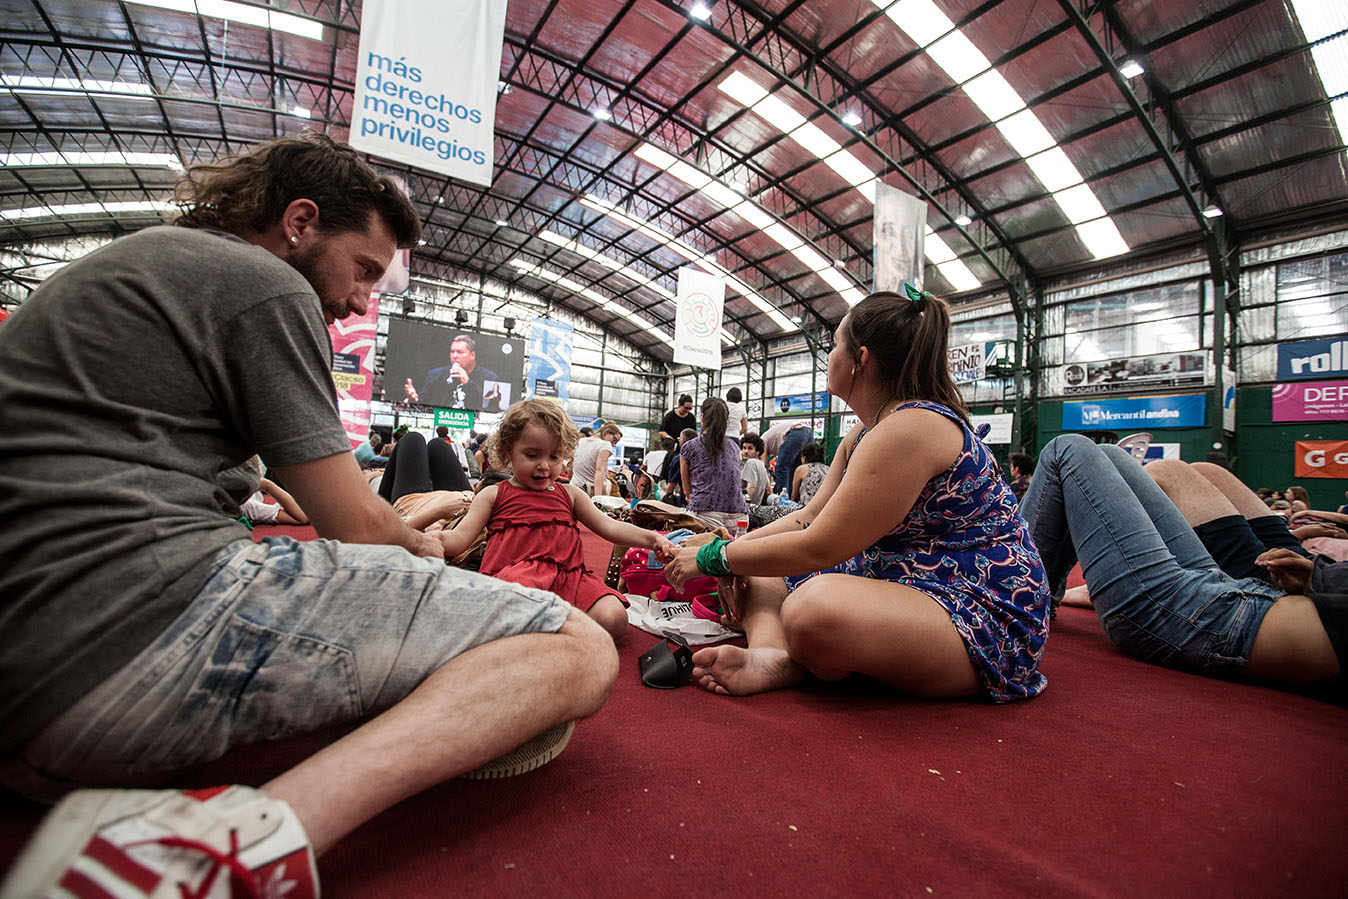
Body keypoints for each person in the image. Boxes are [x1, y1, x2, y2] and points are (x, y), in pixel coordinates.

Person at [0, 134, 618, 897]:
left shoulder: (142, 263)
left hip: (28, 687)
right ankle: (225, 843)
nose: (360, 300)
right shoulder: (261, 280)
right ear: (299, 222)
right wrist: (423, 547)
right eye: (363, 269)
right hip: (120, 646)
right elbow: (355, 525)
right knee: (576, 647)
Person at [664, 287, 1051, 701]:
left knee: (811, 610)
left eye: (835, 345)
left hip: (976, 607)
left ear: (860, 359)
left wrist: (714, 557)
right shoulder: (865, 432)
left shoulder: (910, 427)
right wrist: (733, 553)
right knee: (760, 568)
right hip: (900, 583)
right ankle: (771, 654)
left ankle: (806, 650)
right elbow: (806, 517)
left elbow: (819, 545)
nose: (829, 356)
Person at [1019, 435, 1339, 691]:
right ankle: (1040, 597)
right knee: (1109, 454)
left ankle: (1014, 600)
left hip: (1214, 615)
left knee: (1066, 450)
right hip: (1241, 590)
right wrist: (1312, 577)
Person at [438, 400, 675, 642]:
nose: (544, 466)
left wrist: (652, 539)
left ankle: (543, 634)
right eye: (532, 455)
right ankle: (558, 635)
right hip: (516, 582)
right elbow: (460, 537)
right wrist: (436, 540)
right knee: (507, 612)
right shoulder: (493, 494)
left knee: (614, 616)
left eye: (554, 457)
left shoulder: (570, 494)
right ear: (508, 451)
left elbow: (610, 526)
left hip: (569, 580)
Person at [679, 398, 749, 530]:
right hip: (740, 519)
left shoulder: (689, 447)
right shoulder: (734, 447)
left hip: (706, 518)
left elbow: (688, 493)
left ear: (702, 416)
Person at [405, 333, 499, 410]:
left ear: (472, 355)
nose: (455, 356)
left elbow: (489, 407)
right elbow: (423, 404)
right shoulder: (435, 375)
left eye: (460, 352)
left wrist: (468, 383)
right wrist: (414, 400)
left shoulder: (489, 378)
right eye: (452, 352)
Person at [762, 418, 813, 496]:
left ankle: (782, 496)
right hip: (807, 433)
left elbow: (764, 465)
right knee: (798, 470)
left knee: (781, 467)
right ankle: (798, 497)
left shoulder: (761, 441)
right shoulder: (770, 441)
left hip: (796, 433)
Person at [572, 421, 623, 496]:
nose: (613, 444)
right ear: (607, 432)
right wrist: (598, 498)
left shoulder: (581, 441)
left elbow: (571, 465)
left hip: (574, 486)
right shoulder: (605, 444)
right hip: (589, 490)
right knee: (610, 484)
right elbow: (599, 470)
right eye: (614, 440)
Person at [740, 433, 770, 505]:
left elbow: (751, 487)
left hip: (747, 506)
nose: (746, 451)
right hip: (757, 506)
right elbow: (768, 490)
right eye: (744, 448)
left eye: (750, 448)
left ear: (758, 451)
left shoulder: (751, 462)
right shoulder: (761, 465)